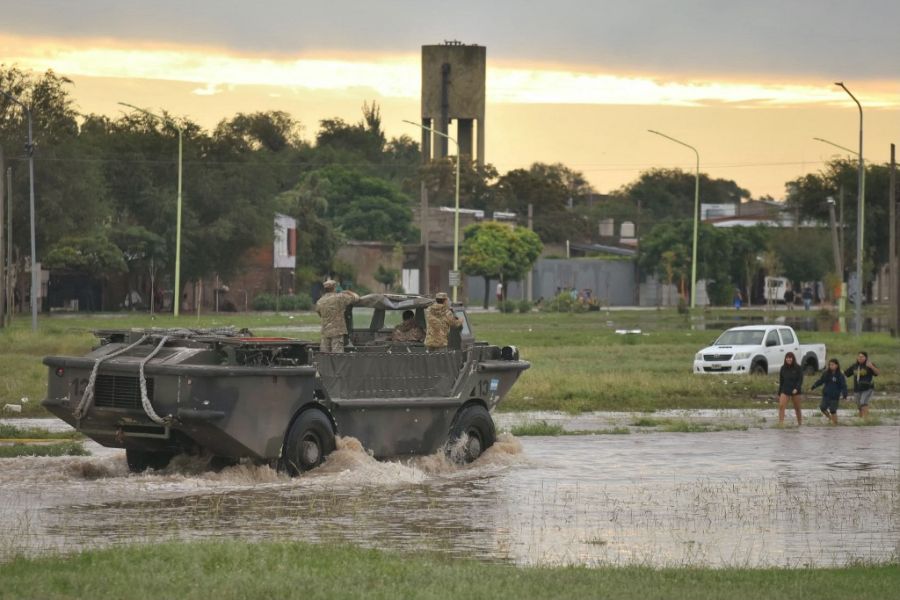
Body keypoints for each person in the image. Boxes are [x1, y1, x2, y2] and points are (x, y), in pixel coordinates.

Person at [315, 279, 358, 352]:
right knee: (337, 356)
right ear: (334, 287)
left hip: (325, 332)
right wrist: (347, 291)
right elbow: (356, 298)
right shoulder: (340, 297)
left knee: (324, 355)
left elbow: (320, 314)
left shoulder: (320, 301)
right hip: (337, 332)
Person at [811, 358, 848, 425]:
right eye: (830, 365)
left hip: (835, 396)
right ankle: (830, 418)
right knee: (822, 407)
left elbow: (843, 385)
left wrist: (845, 395)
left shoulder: (840, 375)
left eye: (832, 365)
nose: (831, 366)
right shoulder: (826, 373)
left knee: (833, 410)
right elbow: (821, 381)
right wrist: (814, 386)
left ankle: (835, 424)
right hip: (826, 395)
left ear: (836, 365)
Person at [844, 351, 880, 418]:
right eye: (859, 356)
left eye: (862, 357)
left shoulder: (869, 365)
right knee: (859, 405)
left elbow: (877, 373)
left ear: (866, 358)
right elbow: (845, 374)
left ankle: (866, 419)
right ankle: (861, 419)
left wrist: (872, 367)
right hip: (857, 389)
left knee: (863, 402)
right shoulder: (854, 366)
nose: (860, 358)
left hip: (867, 388)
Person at [777, 351, 804, 426]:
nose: (789, 359)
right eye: (787, 358)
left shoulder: (798, 368)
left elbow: (800, 380)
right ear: (785, 359)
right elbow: (781, 381)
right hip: (785, 389)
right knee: (781, 406)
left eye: (790, 358)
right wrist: (779, 393)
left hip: (795, 390)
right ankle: (781, 424)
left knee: (797, 408)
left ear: (793, 359)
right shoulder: (783, 368)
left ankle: (800, 423)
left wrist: (796, 388)